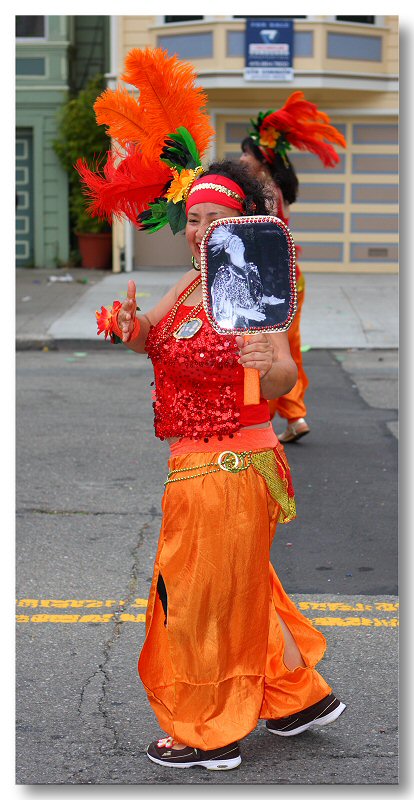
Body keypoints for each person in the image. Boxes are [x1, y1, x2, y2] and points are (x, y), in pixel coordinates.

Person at [79, 49, 346, 772]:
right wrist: (130, 330)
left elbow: (285, 365)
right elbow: (156, 348)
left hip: (231, 466)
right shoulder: (186, 290)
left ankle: (211, 731)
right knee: (240, 588)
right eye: (193, 220)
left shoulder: (250, 288)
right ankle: (296, 696)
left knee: (199, 603)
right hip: (194, 470)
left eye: (215, 220)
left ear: (239, 224)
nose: (201, 232)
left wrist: (274, 363)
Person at [240, 91, 346, 443]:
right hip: (287, 278)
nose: (241, 158)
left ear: (263, 159)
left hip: (273, 283)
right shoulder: (270, 189)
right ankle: (293, 417)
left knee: (276, 348)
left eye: (247, 153)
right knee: (287, 347)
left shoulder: (264, 193)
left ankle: (274, 417)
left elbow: (260, 241)